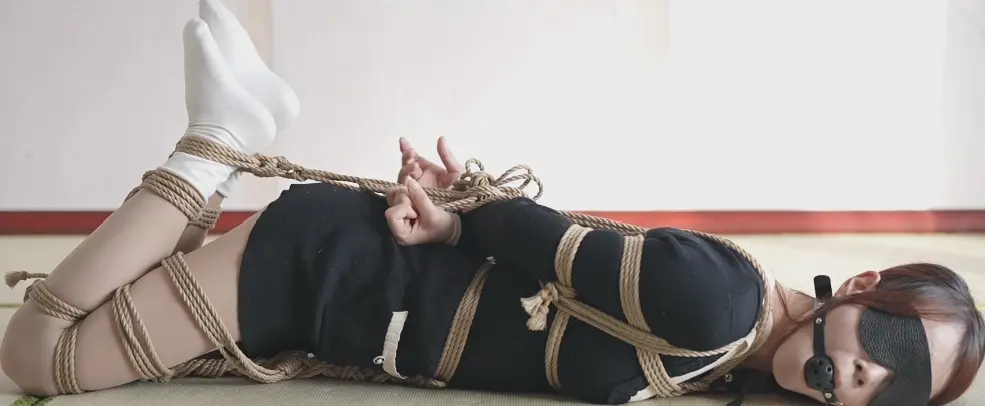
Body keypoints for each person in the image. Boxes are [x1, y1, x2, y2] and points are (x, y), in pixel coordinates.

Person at [1, 1, 983, 405]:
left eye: (890, 389)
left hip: (346, 297)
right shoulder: (723, 305)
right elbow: (551, 240)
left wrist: (461, 217)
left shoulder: (741, 345)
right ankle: (214, 141)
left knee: (98, 318)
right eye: (883, 342)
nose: (862, 374)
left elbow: (565, 262)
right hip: (336, 273)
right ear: (861, 286)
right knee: (40, 356)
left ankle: (224, 142)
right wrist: (460, 218)